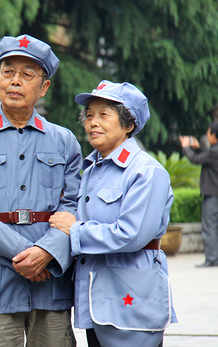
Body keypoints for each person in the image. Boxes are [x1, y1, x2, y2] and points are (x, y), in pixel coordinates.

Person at [0, 34, 82, 346]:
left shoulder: (64, 142)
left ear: (44, 87)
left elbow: (75, 206)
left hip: (50, 283)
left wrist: (47, 253)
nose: (15, 81)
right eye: (8, 72)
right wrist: (24, 256)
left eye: (27, 74)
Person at [49, 81, 177, 346]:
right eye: (89, 115)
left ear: (128, 124)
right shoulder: (92, 169)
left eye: (103, 114)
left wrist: (75, 230)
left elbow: (131, 235)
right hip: (97, 299)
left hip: (131, 300)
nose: (93, 122)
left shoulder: (145, 172)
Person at [179, 121, 218, 267]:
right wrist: (199, 147)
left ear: (214, 135)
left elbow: (195, 159)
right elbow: (205, 158)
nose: (207, 136)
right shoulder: (213, 152)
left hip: (212, 195)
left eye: (208, 133)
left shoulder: (214, 151)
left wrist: (186, 147)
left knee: (210, 226)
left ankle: (212, 258)